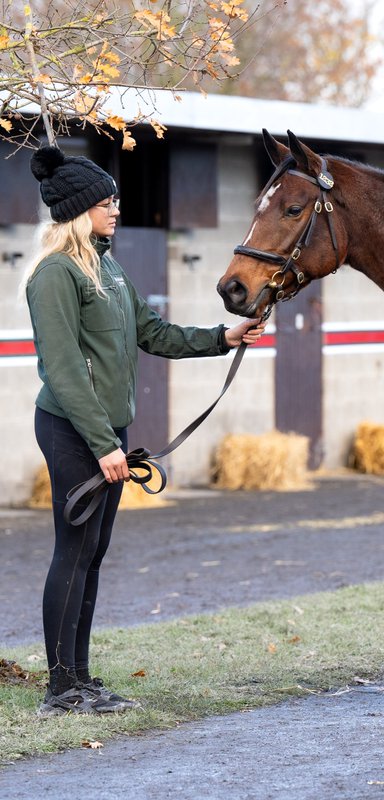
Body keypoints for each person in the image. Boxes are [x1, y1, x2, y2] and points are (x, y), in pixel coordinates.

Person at [22, 145, 264, 717]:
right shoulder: (55, 274)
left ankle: (80, 677)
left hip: (106, 426)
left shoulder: (107, 267)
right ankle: (60, 691)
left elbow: (153, 332)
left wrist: (222, 337)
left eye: (116, 199)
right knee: (73, 551)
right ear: (81, 208)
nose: (116, 209)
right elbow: (60, 370)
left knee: (94, 553)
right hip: (70, 429)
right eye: (108, 201)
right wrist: (105, 445)